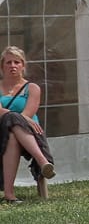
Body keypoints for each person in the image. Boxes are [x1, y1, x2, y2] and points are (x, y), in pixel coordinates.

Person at [1, 46, 56, 203]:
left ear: (23, 66)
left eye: (16, 62)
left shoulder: (32, 88)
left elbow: (28, 114)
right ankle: (42, 161)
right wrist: (15, 115)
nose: (12, 66)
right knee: (10, 126)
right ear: (2, 66)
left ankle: (9, 194)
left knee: (12, 131)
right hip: (1, 133)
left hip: (30, 133)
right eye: (8, 62)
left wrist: (15, 116)